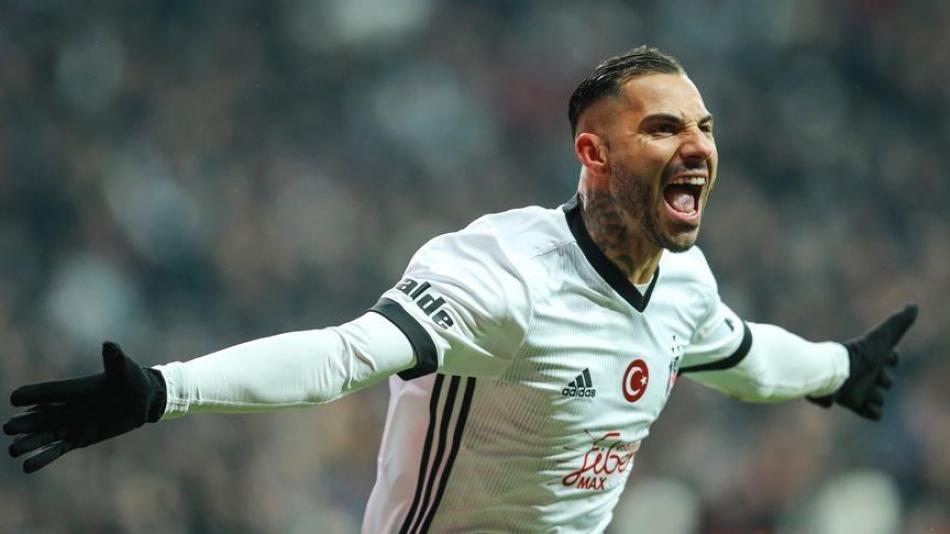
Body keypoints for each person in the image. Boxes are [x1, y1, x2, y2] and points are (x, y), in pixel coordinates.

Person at [4, 46, 917, 533]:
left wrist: (840, 369)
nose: (698, 147)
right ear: (593, 154)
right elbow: (342, 357)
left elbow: (745, 356)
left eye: (706, 127)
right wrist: (162, 391)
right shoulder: (502, 275)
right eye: (664, 128)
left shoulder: (682, 283)